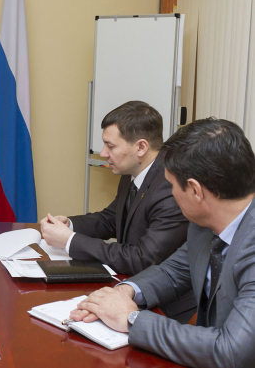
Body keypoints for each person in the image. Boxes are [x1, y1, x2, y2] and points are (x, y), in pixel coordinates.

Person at [71, 118, 255, 367]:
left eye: (171, 185)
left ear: (195, 191)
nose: (170, 193)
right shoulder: (205, 222)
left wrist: (131, 318)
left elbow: (231, 351)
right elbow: (174, 270)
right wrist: (123, 293)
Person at [40, 101, 193, 320]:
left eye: (110, 146)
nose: (103, 153)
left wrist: (70, 241)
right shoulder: (134, 170)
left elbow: (143, 257)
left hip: (164, 307)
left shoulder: (169, 186)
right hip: (128, 286)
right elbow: (112, 218)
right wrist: (69, 225)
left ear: (141, 147)